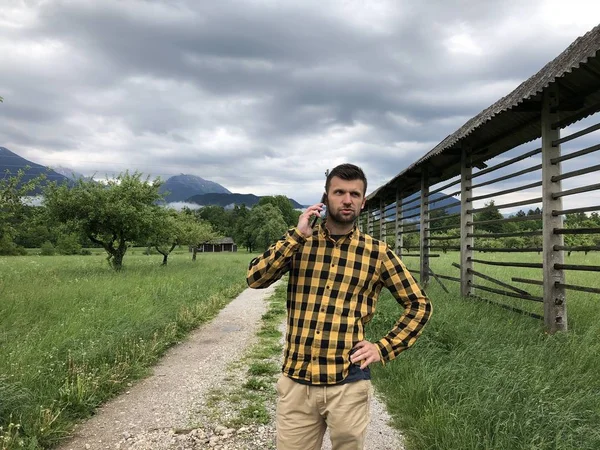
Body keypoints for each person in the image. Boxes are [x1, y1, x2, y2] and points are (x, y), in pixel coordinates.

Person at [246, 163, 432, 450]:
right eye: (340, 192)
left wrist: (382, 348)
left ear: (363, 201)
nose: (347, 200)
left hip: (348, 380)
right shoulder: (300, 242)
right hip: (298, 380)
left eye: (355, 194)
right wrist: (296, 236)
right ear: (325, 197)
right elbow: (255, 279)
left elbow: (419, 305)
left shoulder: (377, 253)